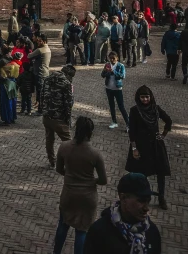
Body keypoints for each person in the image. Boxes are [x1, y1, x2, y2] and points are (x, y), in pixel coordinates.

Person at [54, 116, 107, 254]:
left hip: (69, 194)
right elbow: (103, 180)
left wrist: (71, 176)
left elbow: (59, 169)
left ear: (76, 129)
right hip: (87, 197)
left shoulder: (64, 147)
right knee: (82, 232)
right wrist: (91, 181)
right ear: (91, 132)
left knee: (62, 226)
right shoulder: (95, 154)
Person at [83, 173, 161, 254]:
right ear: (123, 198)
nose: (146, 208)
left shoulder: (152, 232)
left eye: (148, 201)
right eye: (141, 201)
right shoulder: (99, 232)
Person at [125, 85, 172, 210]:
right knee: (142, 174)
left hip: (156, 145)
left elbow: (168, 120)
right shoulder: (135, 110)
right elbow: (132, 131)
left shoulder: (156, 109)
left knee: (161, 172)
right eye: (142, 97)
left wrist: (163, 135)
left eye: (147, 97)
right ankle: (144, 197)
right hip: (141, 146)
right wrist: (134, 148)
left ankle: (161, 197)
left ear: (151, 97)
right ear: (138, 97)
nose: (145, 100)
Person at [42, 64, 76, 168]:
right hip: (59, 118)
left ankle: (52, 161)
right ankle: (70, 164)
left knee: (49, 139)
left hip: (47, 115)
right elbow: (68, 103)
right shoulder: (66, 83)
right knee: (69, 143)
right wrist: (68, 119)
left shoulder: (47, 79)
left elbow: (41, 95)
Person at [101, 50, 129, 130]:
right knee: (111, 106)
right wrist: (106, 72)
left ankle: (128, 123)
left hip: (117, 89)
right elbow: (102, 75)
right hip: (109, 89)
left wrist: (113, 71)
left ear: (117, 58)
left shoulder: (120, 66)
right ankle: (114, 121)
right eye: (110, 58)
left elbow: (122, 76)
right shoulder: (107, 65)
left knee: (121, 106)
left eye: (113, 58)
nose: (112, 60)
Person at [28, 33, 51, 114]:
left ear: (44, 41)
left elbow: (29, 56)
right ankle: (41, 107)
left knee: (40, 92)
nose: (38, 42)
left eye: (39, 41)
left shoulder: (40, 50)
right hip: (46, 73)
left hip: (39, 73)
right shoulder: (48, 49)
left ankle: (40, 110)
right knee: (43, 91)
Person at [0, 49, 19, 125]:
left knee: (6, 102)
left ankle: (7, 119)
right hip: (13, 82)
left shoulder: (2, 61)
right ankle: (12, 117)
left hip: (5, 83)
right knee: (13, 100)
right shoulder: (14, 60)